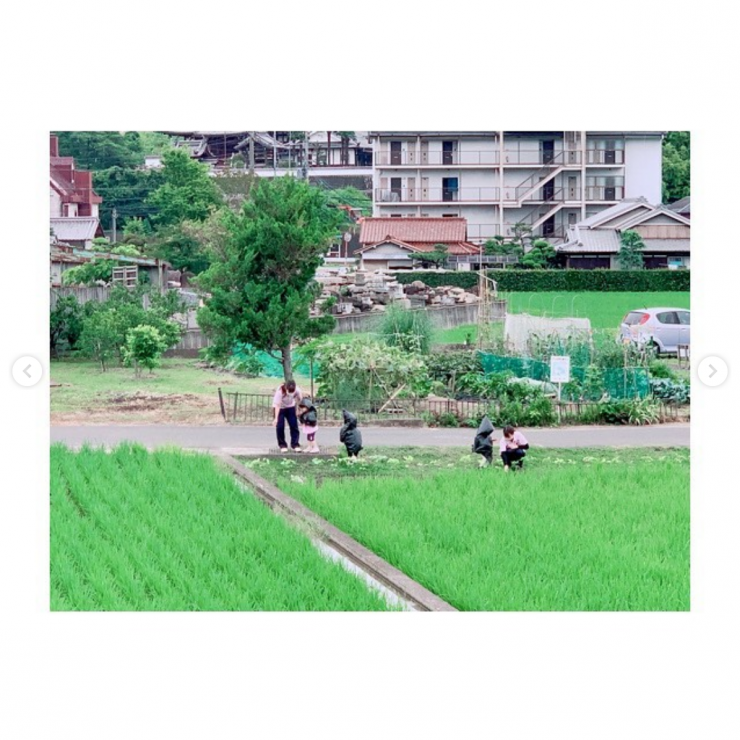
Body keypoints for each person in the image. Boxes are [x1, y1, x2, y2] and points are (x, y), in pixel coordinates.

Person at [272, 379, 303, 453]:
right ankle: (282, 445)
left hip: (291, 407)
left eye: (292, 391)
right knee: (280, 426)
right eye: (289, 391)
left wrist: (298, 409)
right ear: (286, 388)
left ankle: (295, 444)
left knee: (294, 425)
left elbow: (300, 399)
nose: (290, 393)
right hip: (280, 408)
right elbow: (277, 405)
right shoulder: (280, 391)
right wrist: (276, 418)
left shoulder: (297, 390)